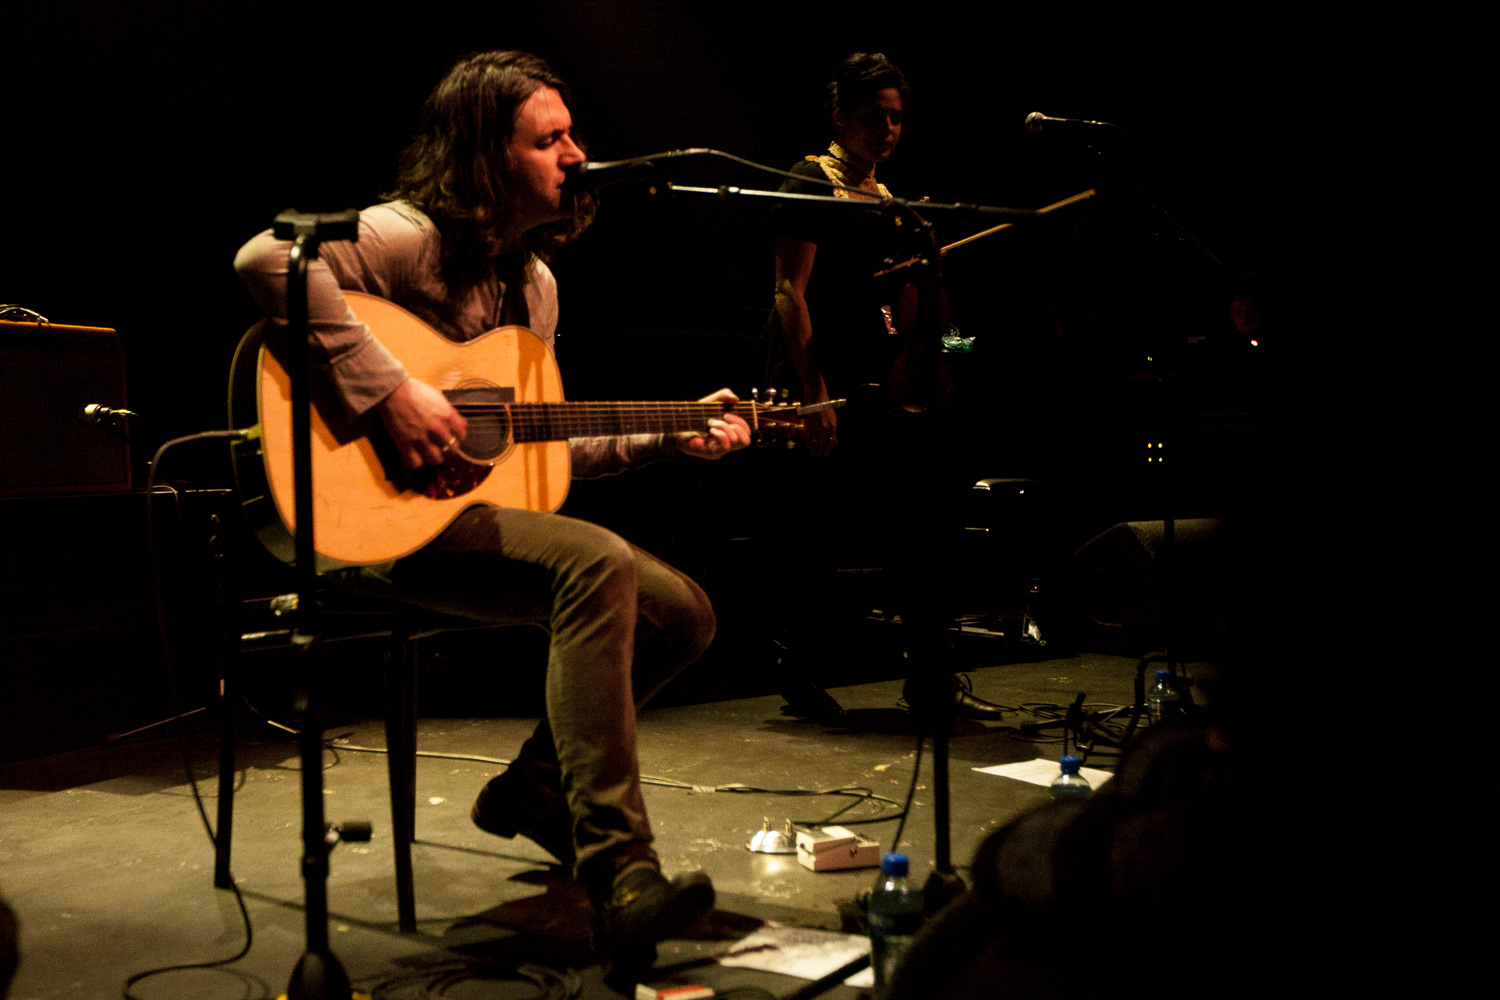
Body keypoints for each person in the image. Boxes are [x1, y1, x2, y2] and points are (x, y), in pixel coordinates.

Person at [234, 51, 749, 967]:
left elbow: (536, 446)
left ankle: (535, 791)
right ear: (483, 156)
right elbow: (268, 258)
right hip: (369, 520)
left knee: (686, 613)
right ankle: (623, 873)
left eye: (572, 134)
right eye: (549, 139)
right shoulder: (405, 238)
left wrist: (669, 434)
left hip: (459, 521)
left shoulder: (536, 287)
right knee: (599, 562)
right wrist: (389, 392)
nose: (576, 155)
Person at [766, 53, 1006, 721]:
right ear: (840, 116)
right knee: (822, 529)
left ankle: (930, 678)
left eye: (897, 117)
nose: (889, 128)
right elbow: (791, 293)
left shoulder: (891, 201)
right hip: (824, 376)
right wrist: (814, 395)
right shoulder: (811, 179)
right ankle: (799, 670)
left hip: (881, 381)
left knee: (912, 526)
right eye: (875, 116)